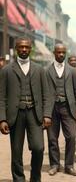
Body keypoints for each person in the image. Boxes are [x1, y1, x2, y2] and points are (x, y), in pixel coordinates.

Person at [0, 36, 52, 182]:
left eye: (26, 47)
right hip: (15, 115)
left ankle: (35, 178)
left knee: (38, 148)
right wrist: (2, 119)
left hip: (34, 114)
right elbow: (1, 97)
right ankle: (19, 179)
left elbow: (46, 95)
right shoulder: (6, 70)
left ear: (30, 49)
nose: (24, 49)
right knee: (16, 151)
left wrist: (47, 115)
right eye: (21, 47)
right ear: (16, 49)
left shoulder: (39, 70)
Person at [46, 43, 76, 176]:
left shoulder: (72, 71)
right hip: (52, 108)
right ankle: (54, 164)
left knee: (72, 136)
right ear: (54, 53)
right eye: (58, 52)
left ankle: (69, 165)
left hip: (68, 107)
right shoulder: (47, 70)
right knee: (52, 138)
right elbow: (43, 92)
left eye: (63, 52)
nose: (61, 54)